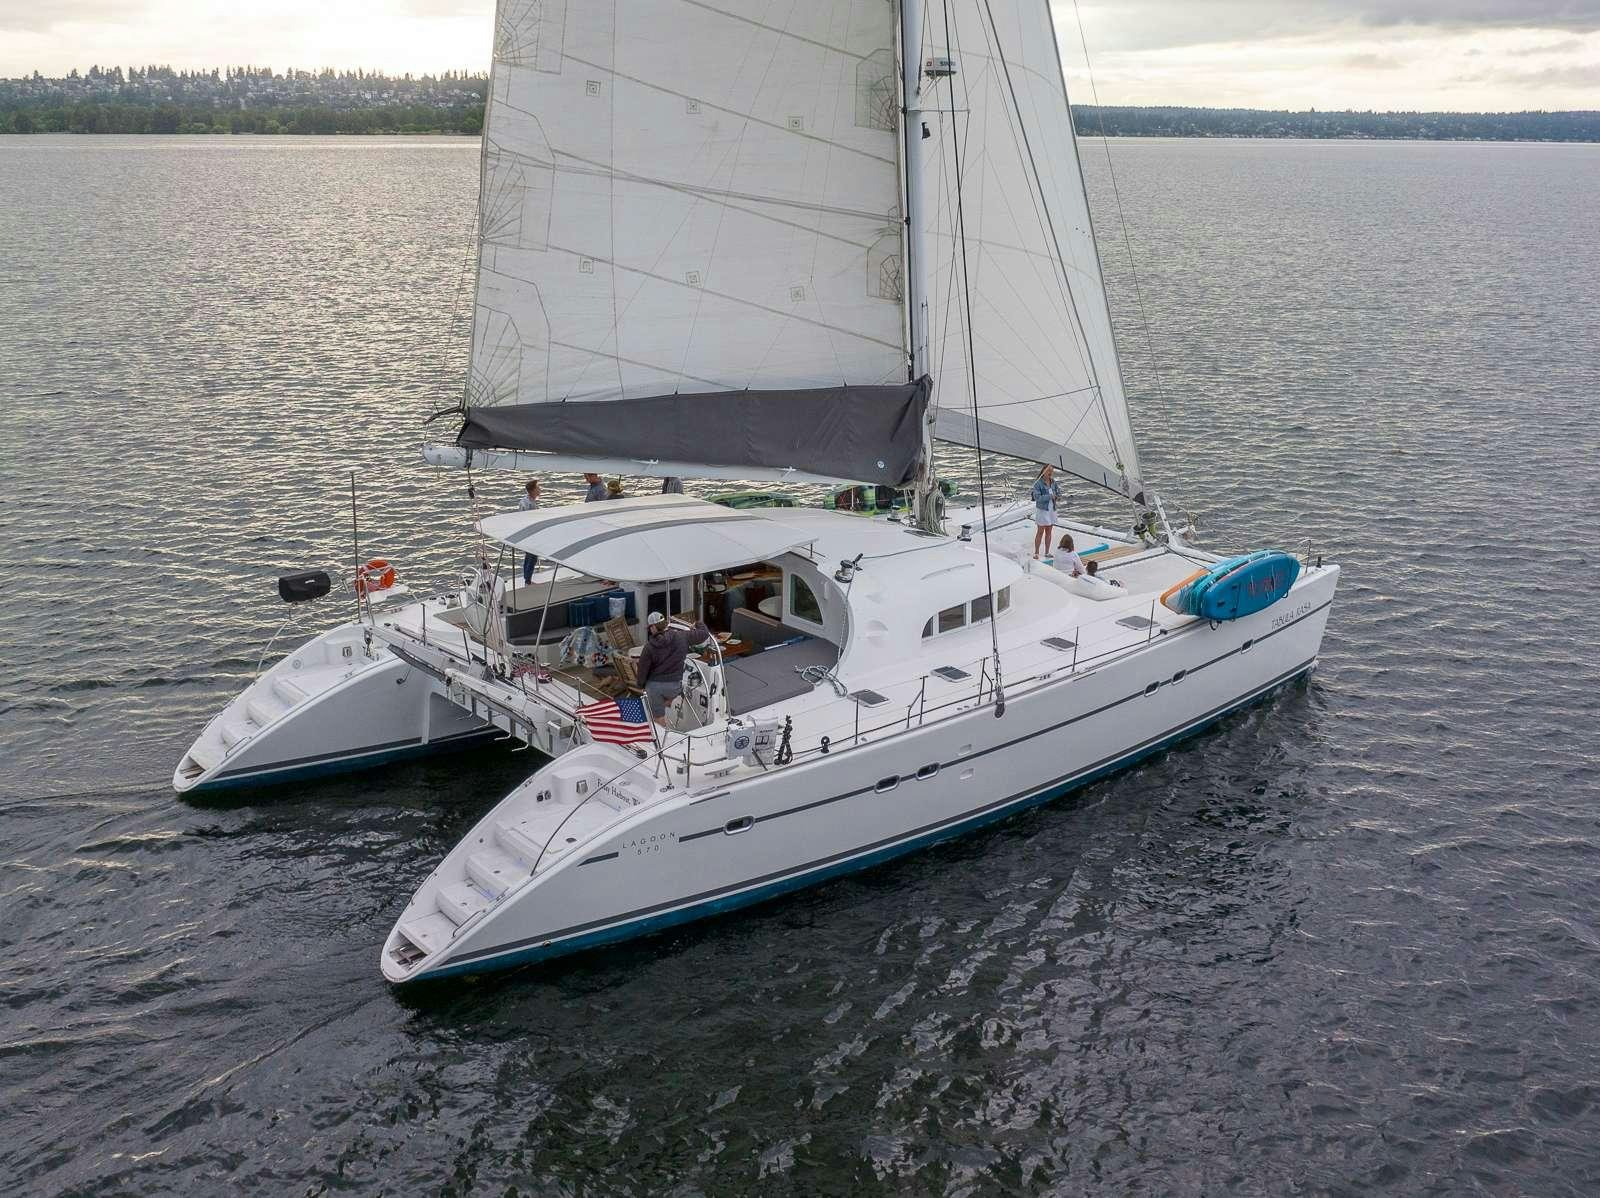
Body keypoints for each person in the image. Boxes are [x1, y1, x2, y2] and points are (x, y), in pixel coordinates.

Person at [635, 611, 712, 726]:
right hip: (674, 687)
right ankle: (668, 704)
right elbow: (704, 633)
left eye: (650, 628)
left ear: (653, 627)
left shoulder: (649, 648)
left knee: (658, 717)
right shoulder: (682, 636)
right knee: (674, 691)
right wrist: (698, 623)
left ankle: (663, 733)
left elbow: (642, 670)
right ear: (665, 624)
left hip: (654, 688)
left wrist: (641, 686)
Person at [1031, 466, 1061, 559]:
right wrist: (1049, 496)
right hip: (1043, 510)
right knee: (1040, 531)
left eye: (1051, 471)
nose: (1050, 473)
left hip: (1052, 509)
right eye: (1048, 471)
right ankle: (1036, 552)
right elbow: (1037, 498)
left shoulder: (1053, 482)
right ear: (1043, 471)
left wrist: (1058, 497)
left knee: (1049, 531)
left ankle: (1047, 552)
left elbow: (1059, 493)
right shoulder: (1038, 484)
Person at [518, 478, 541, 584]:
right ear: (532, 490)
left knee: (530, 556)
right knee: (532, 557)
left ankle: (527, 577)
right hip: (531, 533)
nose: (539, 489)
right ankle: (528, 579)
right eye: (537, 488)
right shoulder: (528, 503)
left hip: (530, 533)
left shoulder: (528, 501)